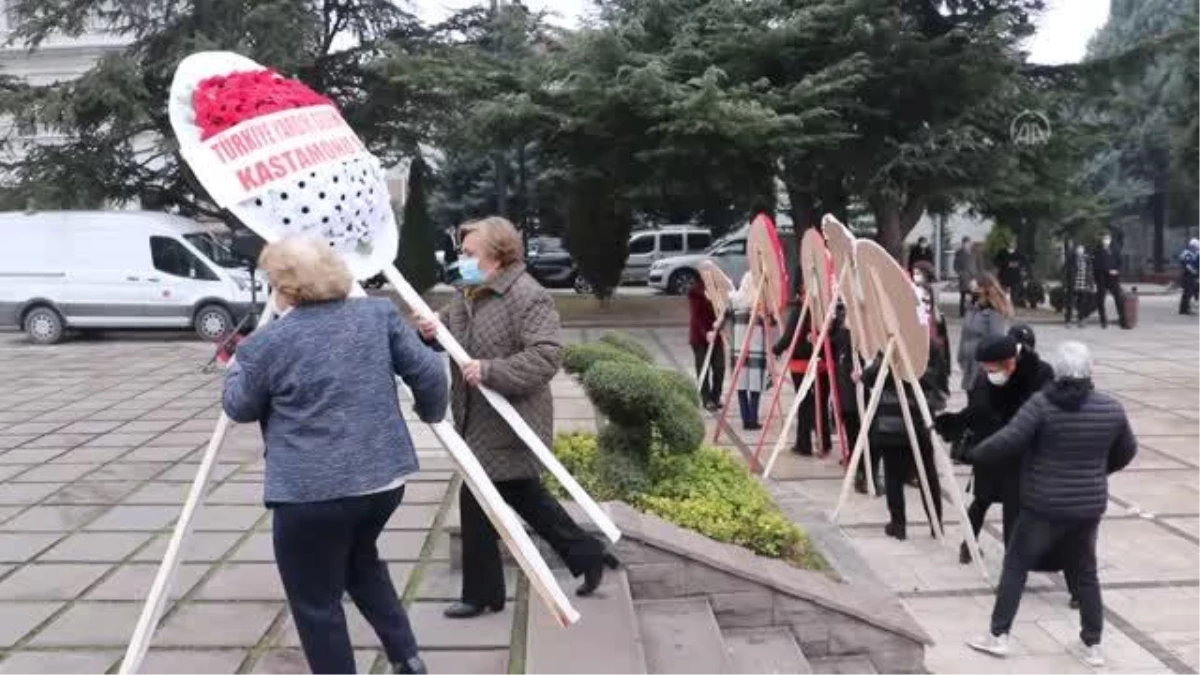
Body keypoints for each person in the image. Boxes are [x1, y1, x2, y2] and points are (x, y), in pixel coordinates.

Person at [223, 237, 446, 675]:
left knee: (315, 603)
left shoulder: (266, 345)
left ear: (285, 286)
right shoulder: (377, 315)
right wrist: (431, 415)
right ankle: (408, 658)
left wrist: (234, 366)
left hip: (311, 496)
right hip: (383, 483)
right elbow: (430, 373)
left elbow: (239, 406)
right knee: (361, 563)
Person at [414, 217, 614, 620]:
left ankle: (482, 593)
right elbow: (448, 332)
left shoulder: (528, 296)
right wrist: (428, 332)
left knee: (481, 498)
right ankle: (586, 555)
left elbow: (545, 357)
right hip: (476, 416)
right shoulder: (469, 292)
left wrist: (491, 371)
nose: (462, 259)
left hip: (511, 418)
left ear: (497, 255)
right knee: (522, 496)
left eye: (470, 253)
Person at [965, 342, 1137, 668]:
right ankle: (1093, 645)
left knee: (1015, 566)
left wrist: (973, 454)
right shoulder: (1111, 408)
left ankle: (998, 636)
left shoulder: (1041, 405)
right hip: (1087, 507)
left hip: (1043, 504)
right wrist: (1096, 472)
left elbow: (1008, 441)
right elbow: (1126, 451)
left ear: (1056, 373)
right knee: (1086, 572)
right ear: (1090, 371)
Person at [935, 334, 1053, 564]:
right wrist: (953, 423)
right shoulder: (987, 375)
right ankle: (968, 544)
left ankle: (1014, 562)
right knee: (981, 500)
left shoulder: (1039, 375)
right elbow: (976, 410)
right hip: (989, 449)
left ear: (1008, 362)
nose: (987, 374)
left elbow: (1041, 415)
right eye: (985, 370)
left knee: (1014, 508)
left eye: (990, 370)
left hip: (1018, 457)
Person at [861, 312, 950, 541]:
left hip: (892, 420)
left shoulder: (892, 346)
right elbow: (940, 385)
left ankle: (898, 524)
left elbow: (872, 377)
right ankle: (936, 523)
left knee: (894, 474)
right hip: (920, 417)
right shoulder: (931, 348)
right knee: (927, 473)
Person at [772, 275, 830, 456]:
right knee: (819, 403)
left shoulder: (800, 310)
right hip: (822, 362)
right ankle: (824, 442)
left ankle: (804, 443)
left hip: (803, 363)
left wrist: (776, 349)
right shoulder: (824, 306)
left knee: (805, 403)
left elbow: (789, 336)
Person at [725, 272, 769, 430]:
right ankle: (752, 418)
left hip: (739, 348)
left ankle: (746, 419)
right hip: (755, 347)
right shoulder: (759, 305)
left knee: (742, 384)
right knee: (754, 385)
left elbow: (724, 318)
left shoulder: (735, 302)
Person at [958, 272, 1013, 392]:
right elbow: (964, 334)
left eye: (975, 285)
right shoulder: (972, 308)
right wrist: (961, 355)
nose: (971, 289)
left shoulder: (994, 313)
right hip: (969, 361)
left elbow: (996, 338)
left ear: (983, 288)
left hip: (983, 363)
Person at [688, 264, 725, 411]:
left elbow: (724, 310)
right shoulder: (695, 292)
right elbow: (697, 316)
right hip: (699, 336)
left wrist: (721, 322)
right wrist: (706, 333)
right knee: (703, 367)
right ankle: (706, 399)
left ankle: (716, 397)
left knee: (719, 367)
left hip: (716, 335)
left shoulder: (718, 290)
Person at [1092, 232, 1128, 329]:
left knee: (1118, 298)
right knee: (1100, 299)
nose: (1106, 240)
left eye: (1107, 238)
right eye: (1104, 238)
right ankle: (1103, 320)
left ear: (1110, 239)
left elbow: (1120, 262)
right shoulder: (1097, 250)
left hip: (1113, 277)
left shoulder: (1115, 249)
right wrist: (1095, 278)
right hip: (1101, 277)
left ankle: (1123, 319)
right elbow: (1094, 264)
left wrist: (1116, 270)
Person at [1063, 243, 1094, 328]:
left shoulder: (1087, 260)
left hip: (1083, 285)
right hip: (1073, 285)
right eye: (1078, 249)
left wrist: (1090, 284)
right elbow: (1065, 272)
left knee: (1082, 304)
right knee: (1070, 304)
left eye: (1081, 248)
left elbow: (1090, 273)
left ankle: (1081, 320)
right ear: (1076, 250)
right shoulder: (1071, 260)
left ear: (1084, 250)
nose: (1080, 250)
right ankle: (1068, 321)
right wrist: (1065, 285)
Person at [954, 236, 980, 317]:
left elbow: (979, 264)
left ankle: (974, 311)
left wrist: (978, 274)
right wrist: (960, 273)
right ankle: (962, 313)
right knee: (963, 295)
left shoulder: (975, 252)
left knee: (975, 295)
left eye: (968, 243)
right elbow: (955, 265)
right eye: (965, 243)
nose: (967, 244)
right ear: (963, 244)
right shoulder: (959, 253)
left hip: (973, 276)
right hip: (964, 277)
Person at [1179, 238, 1199, 316]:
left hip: (1189, 275)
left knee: (1188, 292)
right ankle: (1185, 309)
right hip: (1187, 275)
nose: (1197, 249)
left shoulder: (1192, 253)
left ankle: (1184, 309)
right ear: (1192, 246)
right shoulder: (1187, 253)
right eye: (1196, 247)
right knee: (1188, 292)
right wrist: (1194, 271)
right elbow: (1187, 265)